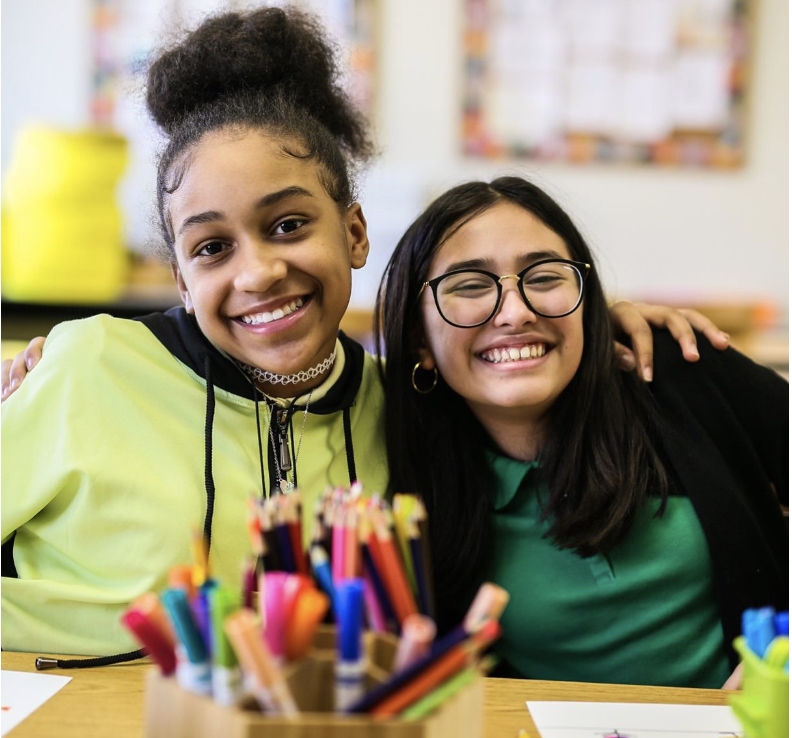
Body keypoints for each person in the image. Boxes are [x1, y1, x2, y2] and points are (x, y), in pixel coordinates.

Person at [1, 6, 727, 657]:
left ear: (354, 232)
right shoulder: (89, 365)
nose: (257, 273)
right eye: (212, 247)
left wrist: (605, 319)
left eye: (288, 225)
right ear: (183, 281)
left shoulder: (408, 404)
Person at [374, 176, 788, 689]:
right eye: (469, 285)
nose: (516, 312)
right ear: (420, 338)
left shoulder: (676, 367)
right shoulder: (413, 473)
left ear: (587, 298)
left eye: (546, 277)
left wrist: (782, 657)